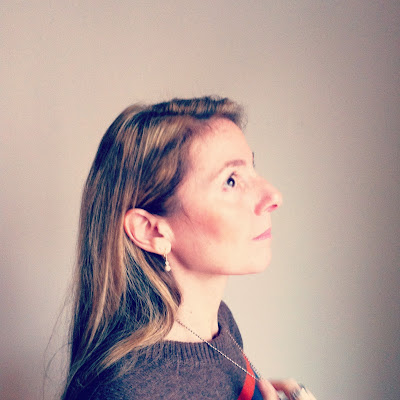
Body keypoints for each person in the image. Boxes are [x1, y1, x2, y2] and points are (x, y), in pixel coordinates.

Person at [61, 96, 316, 400]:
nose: (273, 195)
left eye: (252, 167)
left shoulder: (220, 324)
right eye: (231, 181)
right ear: (151, 230)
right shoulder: (125, 392)